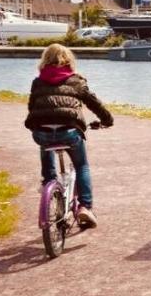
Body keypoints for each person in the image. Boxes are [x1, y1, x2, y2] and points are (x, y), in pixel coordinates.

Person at [25, 43, 114, 228]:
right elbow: (95, 104)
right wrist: (107, 120)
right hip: (70, 131)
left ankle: (49, 181)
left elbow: (32, 107)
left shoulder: (38, 82)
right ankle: (85, 207)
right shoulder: (76, 80)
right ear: (69, 60)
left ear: (45, 61)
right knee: (81, 165)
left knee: (45, 141)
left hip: (42, 131)